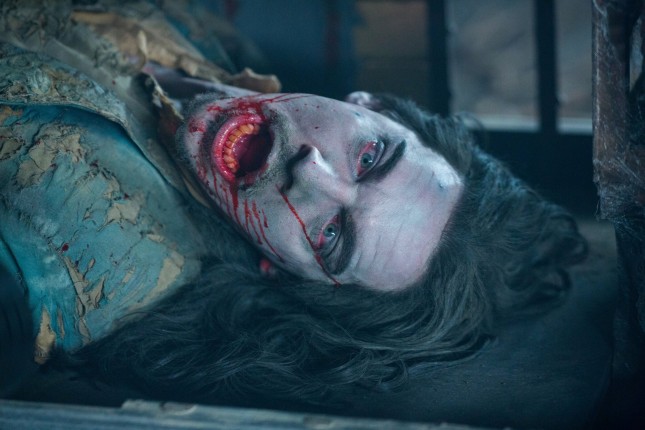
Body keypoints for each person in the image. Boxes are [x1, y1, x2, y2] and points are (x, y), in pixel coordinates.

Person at [0, 1, 613, 428]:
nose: (310, 171)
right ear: (371, 106)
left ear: (280, 269)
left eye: (331, 236)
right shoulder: (225, 46)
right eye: (370, 157)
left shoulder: (92, 267)